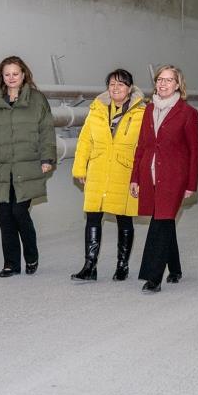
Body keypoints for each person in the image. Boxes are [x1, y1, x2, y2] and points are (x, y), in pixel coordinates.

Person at [0, 56, 56, 277]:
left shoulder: (37, 100)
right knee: (5, 217)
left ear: (24, 74)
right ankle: (11, 263)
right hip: (0, 168)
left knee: (19, 212)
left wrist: (47, 158)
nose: (11, 78)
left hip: (26, 167)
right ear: (2, 76)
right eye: (7, 74)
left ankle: (31, 255)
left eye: (15, 74)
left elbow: (47, 131)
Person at [130, 65, 198, 293]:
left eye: (169, 80)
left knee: (160, 223)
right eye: (160, 79)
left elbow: (194, 151)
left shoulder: (188, 113)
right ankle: (176, 268)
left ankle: (153, 277)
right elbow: (141, 146)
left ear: (178, 84)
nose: (163, 84)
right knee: (165, 220)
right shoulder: (149, 109)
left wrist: (191, 184)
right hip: (149, 174)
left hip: (174, 178)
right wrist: (135, 178)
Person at [70, 69, 146, 282]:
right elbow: (85, 141)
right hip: (98, 170)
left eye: (121, 84)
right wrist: (80, 168)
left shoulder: (141, 113)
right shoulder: (97, 110)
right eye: (112, 84)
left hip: (124, 171)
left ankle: (122, 266)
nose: (115, 88)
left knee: (124, 218)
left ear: (130, 88)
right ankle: (89, 266)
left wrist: (140, 176)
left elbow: (144, 147)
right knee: (93, 216)